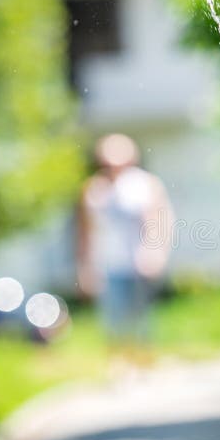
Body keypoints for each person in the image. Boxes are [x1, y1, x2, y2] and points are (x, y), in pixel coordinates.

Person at [76, 133, 174, 345]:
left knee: (141, 318)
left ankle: (141, 362)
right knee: (112, 319)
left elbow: (159, 219)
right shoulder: (94, 189)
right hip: (107, 264)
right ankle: (119, 363)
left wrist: (156, 252)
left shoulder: (145, 184)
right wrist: (85, 265)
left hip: (138, 262)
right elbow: (85, 230)